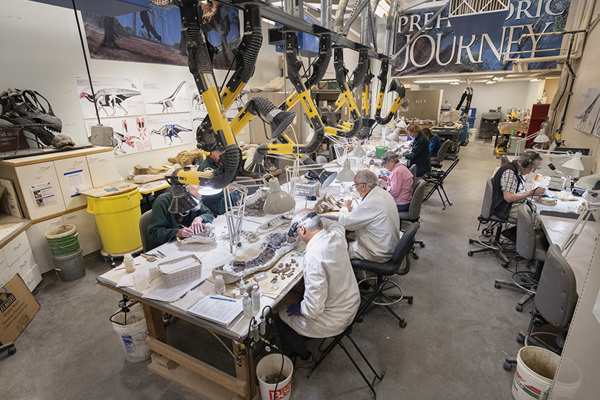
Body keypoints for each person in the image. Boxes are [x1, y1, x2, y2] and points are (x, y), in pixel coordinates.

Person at [276, 209, 360, 367]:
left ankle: (303, 358)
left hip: (336, 319)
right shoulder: (336, 235)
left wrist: (300, 309)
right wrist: (316, 218)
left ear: (302, 229)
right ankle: (303, 336)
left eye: (298, 233)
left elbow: (313, 309)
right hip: (352, 302)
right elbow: (335, 224)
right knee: (304, 295)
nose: (299, 238)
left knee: (280, 316)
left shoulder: (314, 256)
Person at [338, 170, 400, 263]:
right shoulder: (382, 193)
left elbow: (344, 223)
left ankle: (355, 276)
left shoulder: (372, 202)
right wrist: (351, 209)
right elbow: (366, 212)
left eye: (355, 186)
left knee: (337, 251)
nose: (355, 189)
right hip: (388, 245)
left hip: (378, 252)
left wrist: (344, 208)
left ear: (363, 186)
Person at [491, 151, 544, 240]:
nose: (533, 171)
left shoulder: (517, 170)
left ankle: (515, 237)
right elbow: (508, 198)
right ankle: (522, 245)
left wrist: (529, 193)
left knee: (533, 210)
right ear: (525, 164)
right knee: (535, 218)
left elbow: (517, 190)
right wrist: (530, 193)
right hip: (502, 206)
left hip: (507, 204)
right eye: (533, 168)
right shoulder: (510, 172)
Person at [147, 185, 215, 249]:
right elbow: (154, 233)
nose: (195, 205)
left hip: (185, 246)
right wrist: (177, 233)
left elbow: (208, 213)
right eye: (192, 201)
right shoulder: (162, 202)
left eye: (198, 199)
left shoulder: (195, 198)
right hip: (166, 248)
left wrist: (200, 218)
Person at [197, 148, 240, 216]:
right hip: (217, 208)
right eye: (218, 151)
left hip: (230, 204)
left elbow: (230, 182)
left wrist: (236, 199)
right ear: (210, 152)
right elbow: (204, 194)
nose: (221, 153)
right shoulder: (204, 168)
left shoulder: (224, 164)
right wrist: (223, 192)